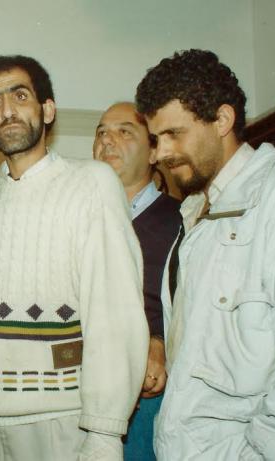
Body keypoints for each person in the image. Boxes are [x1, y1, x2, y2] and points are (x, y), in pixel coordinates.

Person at [0, 55, 148, 461]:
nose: (7, 111)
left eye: (20, 96)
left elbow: (114, 311)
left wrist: (104, 432)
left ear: (47, 110)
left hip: (60, 421)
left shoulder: (91, 182)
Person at [135, 49, 275, 460]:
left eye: (174, 134)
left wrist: (256, 454)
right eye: (156, 139)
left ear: (222, 120)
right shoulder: (194, 213)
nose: (160, 154)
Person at [93, 102, 182, 460]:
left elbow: (193, 307)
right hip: (80, 384)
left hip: (146, 392)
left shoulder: (183, 220)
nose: (107, 140)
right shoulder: (78, 216)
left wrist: (159, 341)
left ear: (153, 152)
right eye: (101, 132)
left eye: (124, 132)